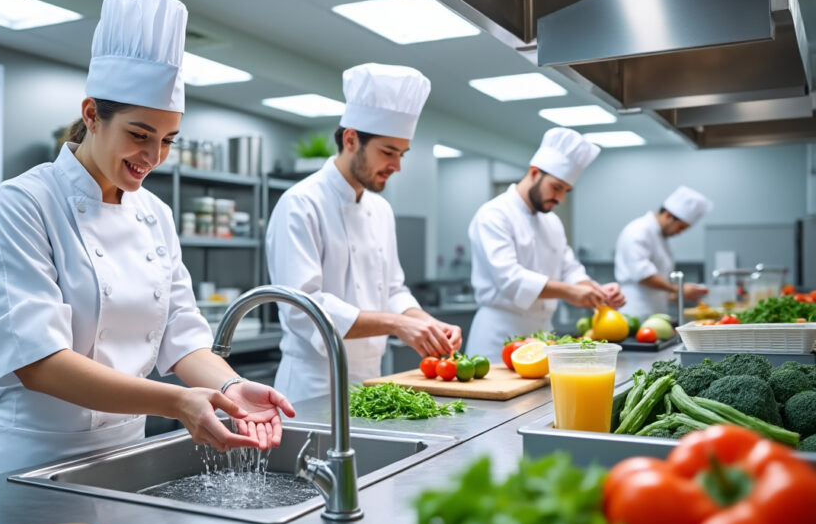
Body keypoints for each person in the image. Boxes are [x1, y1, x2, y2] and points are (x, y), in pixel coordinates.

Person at [0, 0, 293, 478]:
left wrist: (230, 389)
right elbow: (38, 362)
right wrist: (177, 402)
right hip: (34, 459)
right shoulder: (24, 202)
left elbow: (182, 336)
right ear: (91, 115)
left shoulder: (155, 214)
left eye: (167, 140)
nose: (153, 156)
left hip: (125, 452)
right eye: (139, 135)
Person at [266, 63, 462, 403]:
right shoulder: (301, 203)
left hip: (372, 380)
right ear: (351, 139)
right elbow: (303, 308)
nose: (397, 166)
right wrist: (396, 324)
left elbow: (393, 289)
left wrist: (424, 323)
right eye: (388, 152)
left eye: (402, 154)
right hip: (313, 385)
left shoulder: (381, 210)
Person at [465, 127, 625, 362]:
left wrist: (595, 290)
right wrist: (571, 292)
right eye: (556, 187)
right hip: (499, 337)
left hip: (543, 337)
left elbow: (569, 269)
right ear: (534, 172)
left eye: (566, 191)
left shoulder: (552, 222)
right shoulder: (494, 214)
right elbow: (510, 279)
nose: (560, 198)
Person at [615, 186, 713, 318]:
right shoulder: (638, 231)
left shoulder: (664, 239)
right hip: (636, 311)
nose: (680, 232)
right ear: (668, 215)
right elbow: (643, 275)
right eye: (680, 227)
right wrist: (679, 289)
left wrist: (682, 294)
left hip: (657, 313)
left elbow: (661, 282)